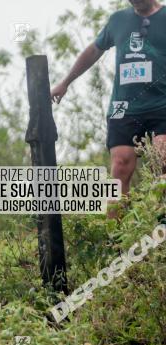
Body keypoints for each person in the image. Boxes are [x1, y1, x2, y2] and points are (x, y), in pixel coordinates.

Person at [50, 0, 166, 218]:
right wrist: (65, 82)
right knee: (120, 166)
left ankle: (160, 234)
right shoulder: (118, 20)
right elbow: (94, 50)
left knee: (161, 162)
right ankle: (115, 244)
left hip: (161, 104)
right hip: (123, 107)